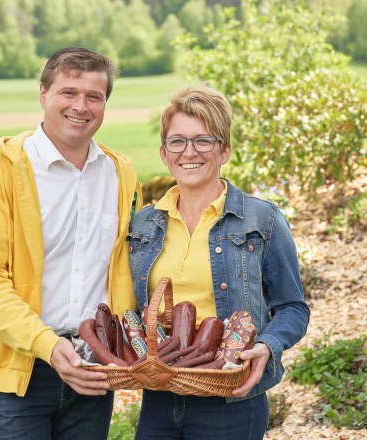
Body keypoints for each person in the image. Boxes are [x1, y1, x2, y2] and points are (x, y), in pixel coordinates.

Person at [0, 47, 141, 440]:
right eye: (69, 93)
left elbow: (127, 267)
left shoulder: (121, 174)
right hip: (16, 372)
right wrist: (47, 345)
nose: (81, 106)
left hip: (92, 371)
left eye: (94, 96)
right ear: (43, 94)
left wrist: (125, 350)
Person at [127, 86, 310, 439]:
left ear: (224, 149)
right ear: (164, 153)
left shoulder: (262, 221)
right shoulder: (143, 225)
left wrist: (267, 346)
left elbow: (293, 308)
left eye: (203, 141)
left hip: (230, 399)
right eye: (177, 141)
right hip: (160, 397)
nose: (189, 152)